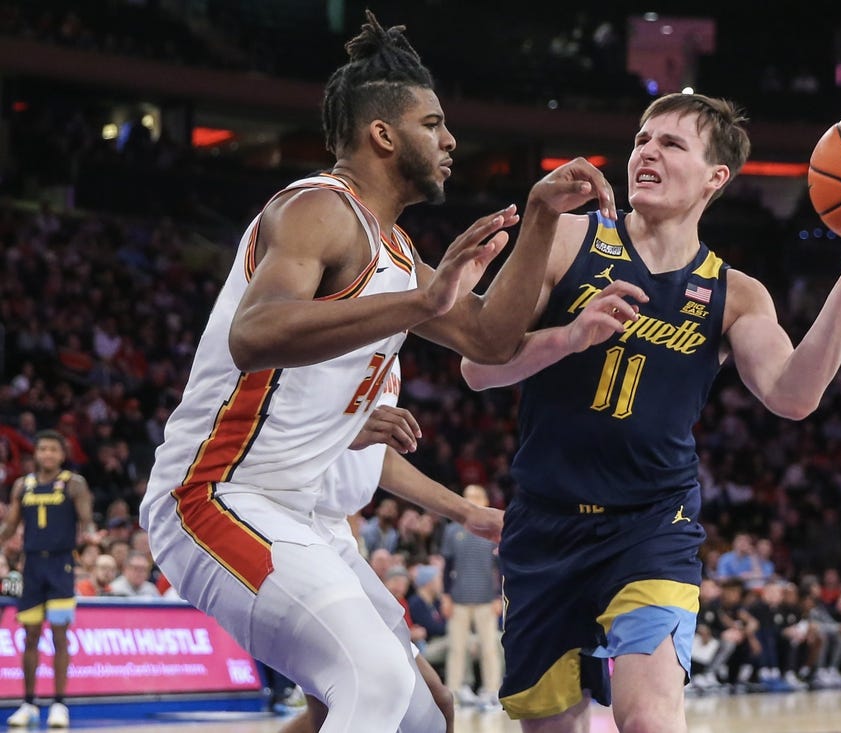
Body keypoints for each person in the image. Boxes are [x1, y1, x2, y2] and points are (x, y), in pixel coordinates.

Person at [138, 7, 612, 732]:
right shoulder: (316, 209)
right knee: (376, 682)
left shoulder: (393, 247)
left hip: (299, 512)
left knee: (426, 712)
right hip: (213, 492)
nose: (450, 139)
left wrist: (543, 216)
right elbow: (255, 333)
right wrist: (422, 300)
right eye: (433, 123)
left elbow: (488, 338)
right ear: (382, 134)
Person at [462, 92, 841, 730]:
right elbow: (478, 368)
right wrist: (570, 337)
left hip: (654, 521)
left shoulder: (734, 292)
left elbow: (793, 396)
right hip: (545, 523)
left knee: (650, 718)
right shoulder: (566, 239)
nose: (647, 152)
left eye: (671, 143)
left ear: (716, 178)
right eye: (641, 140)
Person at [278, 361, 503, 733]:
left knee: (437, 702)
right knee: (361, 696)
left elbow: (373, 460)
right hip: (293, 524)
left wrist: (467, 513)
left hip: (337, 535)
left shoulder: (391, 346)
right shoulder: (331, 318)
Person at [0, 430, 97, 728]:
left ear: (62, 454)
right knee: (29, 636)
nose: (47, 455)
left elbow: (87, 520)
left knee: (58, 635)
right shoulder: (23, 485)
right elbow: (10, 527)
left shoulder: (73, 484)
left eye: (53, 450)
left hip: (61, 567)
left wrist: (93, 535)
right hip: (32, 568)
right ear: (36, 453)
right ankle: (28, 703)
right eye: (42, 449)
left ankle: (59, 704)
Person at [441, 484, 503, 709]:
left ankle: (492, 690)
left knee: (490, 648)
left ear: (486, 500)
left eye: (476, 496)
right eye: (467, 497)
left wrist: (499, 596)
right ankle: (454, 692)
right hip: (458, 598)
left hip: (487, 598)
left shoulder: (493, 529)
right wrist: (446, 595)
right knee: (457, 648)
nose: (472, 500)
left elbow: (501, 566)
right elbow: (447, 566)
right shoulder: (452, 530)